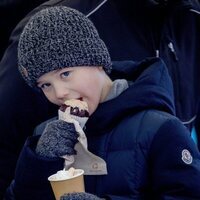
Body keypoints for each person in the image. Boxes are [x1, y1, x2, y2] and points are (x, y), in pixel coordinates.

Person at [1, 0, 200, 198]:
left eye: (65, 74)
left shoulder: (160, 130)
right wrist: (39, 163)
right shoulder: (45, 134)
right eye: (45, 85)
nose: (59, 93)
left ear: (97, 62)